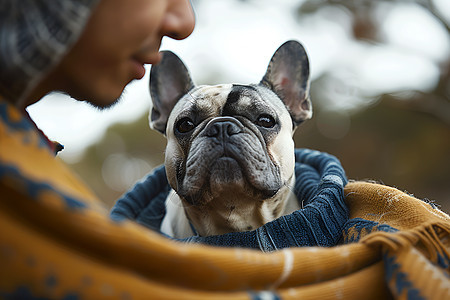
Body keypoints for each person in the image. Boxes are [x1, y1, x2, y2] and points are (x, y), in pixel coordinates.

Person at [1, 0, 449, 299]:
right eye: (190, 126)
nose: (221, 137)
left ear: (298, 109)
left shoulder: (379, 229)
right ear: (161, 119)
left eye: (264, 121)